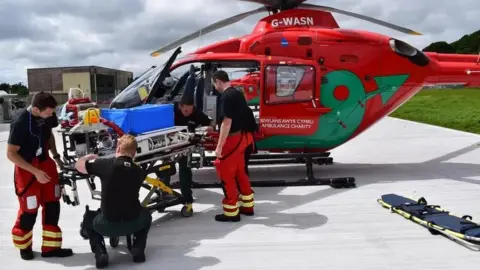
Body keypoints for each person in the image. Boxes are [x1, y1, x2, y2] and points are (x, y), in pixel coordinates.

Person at [7, 91, 73, 260]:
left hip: (45, 162)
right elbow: (11, 154)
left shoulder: (48, 116)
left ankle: (50, 248)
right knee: (29, 210)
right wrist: (35, 172)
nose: (52, 115)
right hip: (27, 168)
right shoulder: (20, 122)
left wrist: (56, 157)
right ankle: (24, 247)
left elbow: (49, 135)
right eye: (49, 112)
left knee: (52, 205)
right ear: (36, 109)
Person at [75, 135, 152, 268]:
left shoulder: (104, 165)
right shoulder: (139, 171)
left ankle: (100, 252)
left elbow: (79, 166)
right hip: (133, 223)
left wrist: (89, 157)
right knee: (147, 215)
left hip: (106, 224)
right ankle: (138, 248)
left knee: (88, 218)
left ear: (118, 148)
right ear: (134, 153)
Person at [211, 70, 257, 222]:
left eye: (214, 83)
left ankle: (231, 212)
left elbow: (227, 122)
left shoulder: (226, 97)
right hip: (243, 138)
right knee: (240, 173)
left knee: (226, 173)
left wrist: (219, 147)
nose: (214, 87)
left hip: (233, 139)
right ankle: (248, 207)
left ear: (218, 81)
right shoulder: (237, 93)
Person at [162, 95, 215, 214]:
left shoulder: (197, 113)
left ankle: (187, 196)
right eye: (185, 110)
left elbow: (211, 122)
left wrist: (210, 127)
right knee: (165, 168)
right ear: (180, 107)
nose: (188, 113)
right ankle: (164, 193)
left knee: (185, 169)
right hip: (168, 144)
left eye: (190, 110)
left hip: (186, 145)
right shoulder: (172, 110)